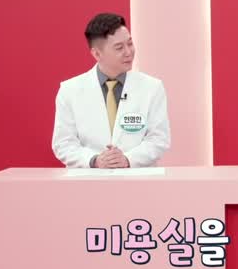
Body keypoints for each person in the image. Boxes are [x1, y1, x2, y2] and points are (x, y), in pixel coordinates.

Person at [52, 13, 171, 168]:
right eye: (119, 48)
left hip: (138, 178)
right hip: (89, 178)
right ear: (97, 54)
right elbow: (63, 144)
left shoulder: (152, 88)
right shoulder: (69, 90)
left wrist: (128, 159)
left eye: (130, 43)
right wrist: (94, 160)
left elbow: (159, 139)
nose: (128, 52)